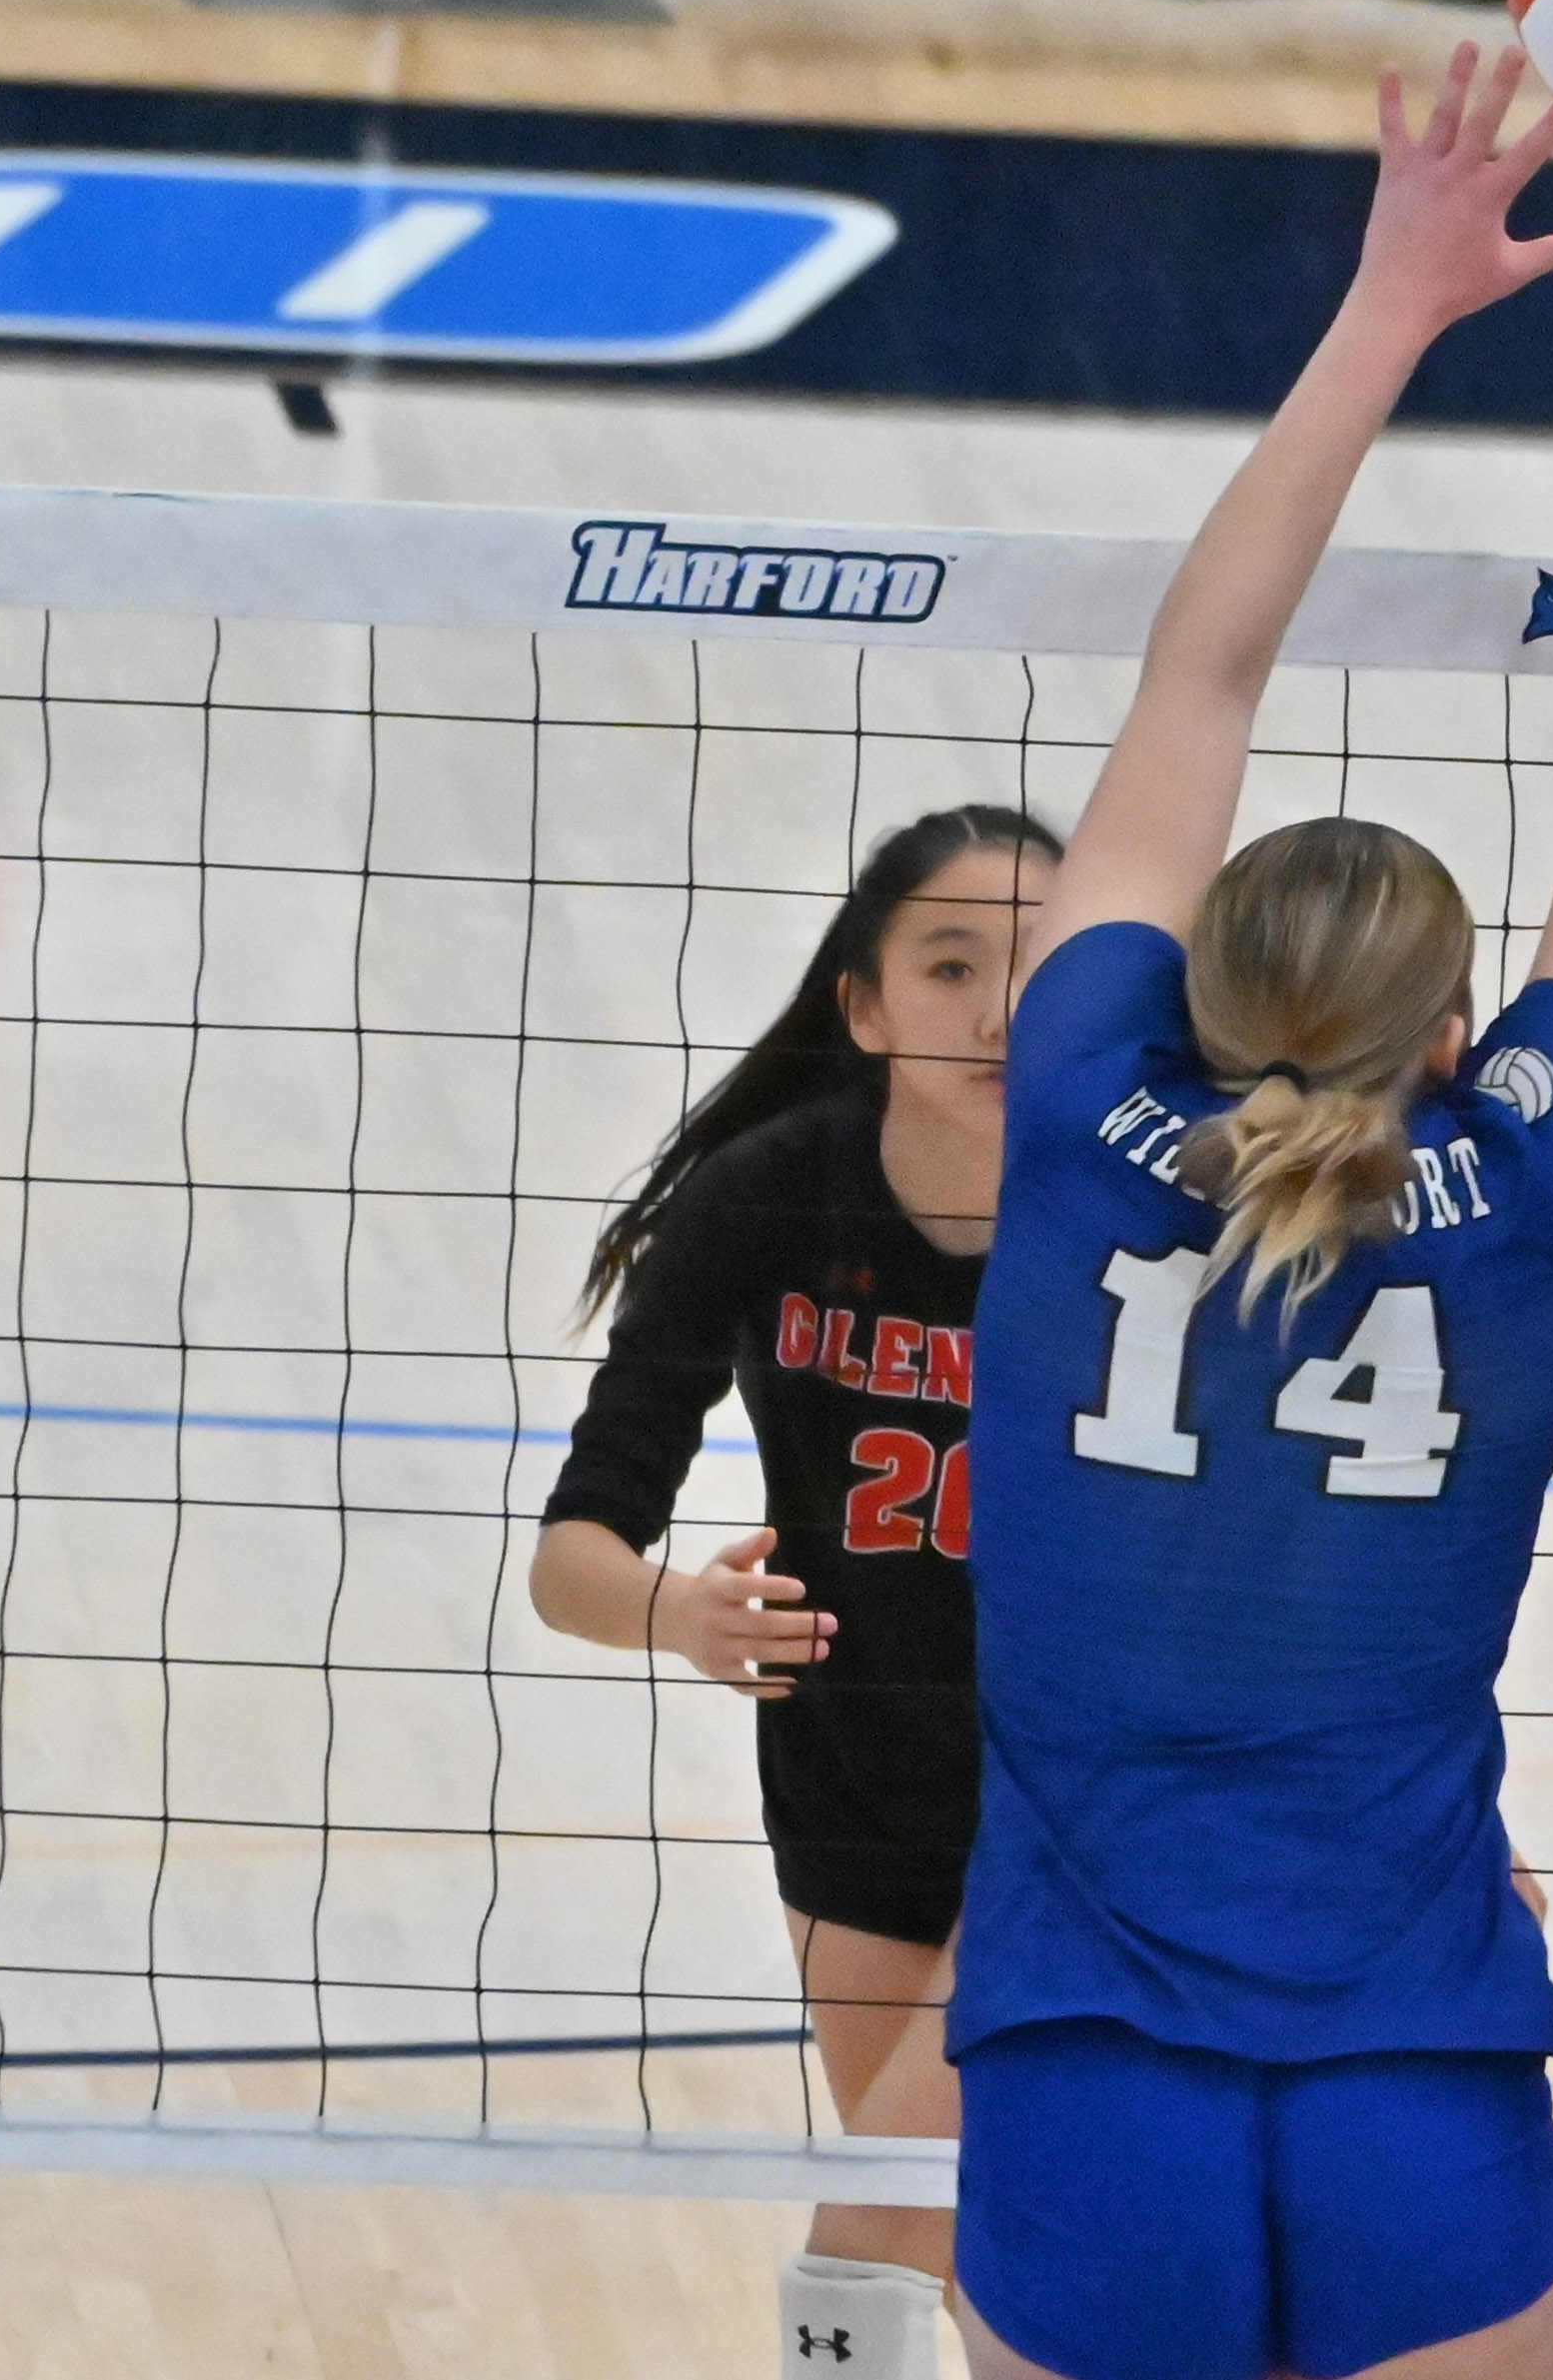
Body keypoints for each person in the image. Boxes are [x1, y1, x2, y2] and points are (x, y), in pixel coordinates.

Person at [944, 38, 1553, 2380]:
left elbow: (1199, 668)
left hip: (1089, 2065)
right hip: (1414, 2061)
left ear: (1190, 980)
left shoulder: (1071, 1099)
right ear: (1450, 1034)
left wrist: (1386, 299)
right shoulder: (1519, 1177)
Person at [537, 796, 1057, 2380]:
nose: (1000, 1011)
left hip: (1081, 1790)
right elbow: (572, 1554)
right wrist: (673, 1611)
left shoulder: (1153, 1204)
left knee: (888, 2233)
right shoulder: (772, 1194)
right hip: (855, 1786)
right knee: (968, 2251)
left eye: (1042, 967)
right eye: (951, 965)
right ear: (866, 1005)